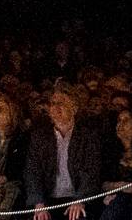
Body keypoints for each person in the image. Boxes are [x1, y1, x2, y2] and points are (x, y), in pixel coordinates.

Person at [24, 88, 103, 220]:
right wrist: (38, 203)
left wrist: (80, 200)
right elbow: (32, 171)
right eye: (53, 103)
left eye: (61, 103)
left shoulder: (88, 136)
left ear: (74, 108)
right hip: (47, 200)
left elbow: (91, 172)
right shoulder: (39, 137)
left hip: (77, 199)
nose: (56, 107)